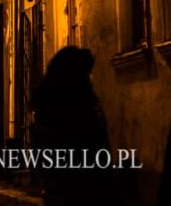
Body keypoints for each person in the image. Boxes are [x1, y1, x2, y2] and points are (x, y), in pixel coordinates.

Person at [30, 46, 117, 206]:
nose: (90, 78)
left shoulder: (48, 102)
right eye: (86, 73)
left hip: (65, 187)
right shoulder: (80, 104)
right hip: (79, 188)